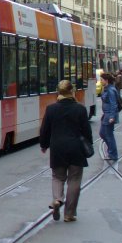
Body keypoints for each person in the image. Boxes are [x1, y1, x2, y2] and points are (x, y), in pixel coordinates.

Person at [39, 80, 93, 223]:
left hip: (58, 148)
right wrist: (89, 145)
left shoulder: (51, 109)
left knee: (57, 177)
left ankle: (57, 199)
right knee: (74, 180)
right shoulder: (80, 109)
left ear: (58, 92)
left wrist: (44, 145)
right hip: (76, 148)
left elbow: (45, 130)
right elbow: (87, 131)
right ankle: (69, 214)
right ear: (72, 91)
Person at [99, 72, 120, 162]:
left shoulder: (110, 90)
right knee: (102, 133)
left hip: (109, 115)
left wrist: (112, 116)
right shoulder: (107, 88)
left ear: (106, 80)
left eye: (101, 80)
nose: (100, 81)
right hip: (106, 114)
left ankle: (113, 154)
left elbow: (113, 104)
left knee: (108, 134)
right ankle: (111, 152)